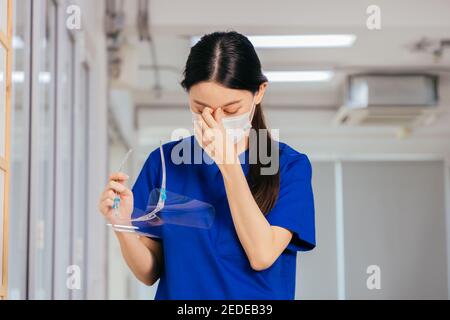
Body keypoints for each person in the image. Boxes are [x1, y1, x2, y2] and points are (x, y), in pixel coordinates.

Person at [98, 31, 316, 300]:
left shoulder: (289, 166)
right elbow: (149, 271)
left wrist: (228, 163)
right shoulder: (164, 164)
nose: (215, 119)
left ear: (259, 92)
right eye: (201, 108)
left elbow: (262, 254)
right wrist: (122, 226)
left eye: (231, 109)